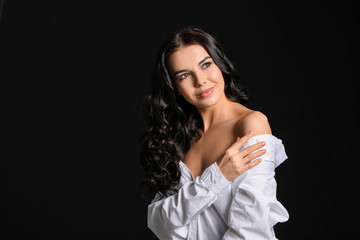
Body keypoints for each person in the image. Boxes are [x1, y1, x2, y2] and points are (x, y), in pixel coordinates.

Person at [140, 27, 289, 240]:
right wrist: (217, 177)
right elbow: (159, 222)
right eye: (184, 75)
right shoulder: (181, 138)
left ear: (220, 65)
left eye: (206, 65)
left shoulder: (250, 125)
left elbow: (252, 231)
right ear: (175, 87)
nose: (200, 81)